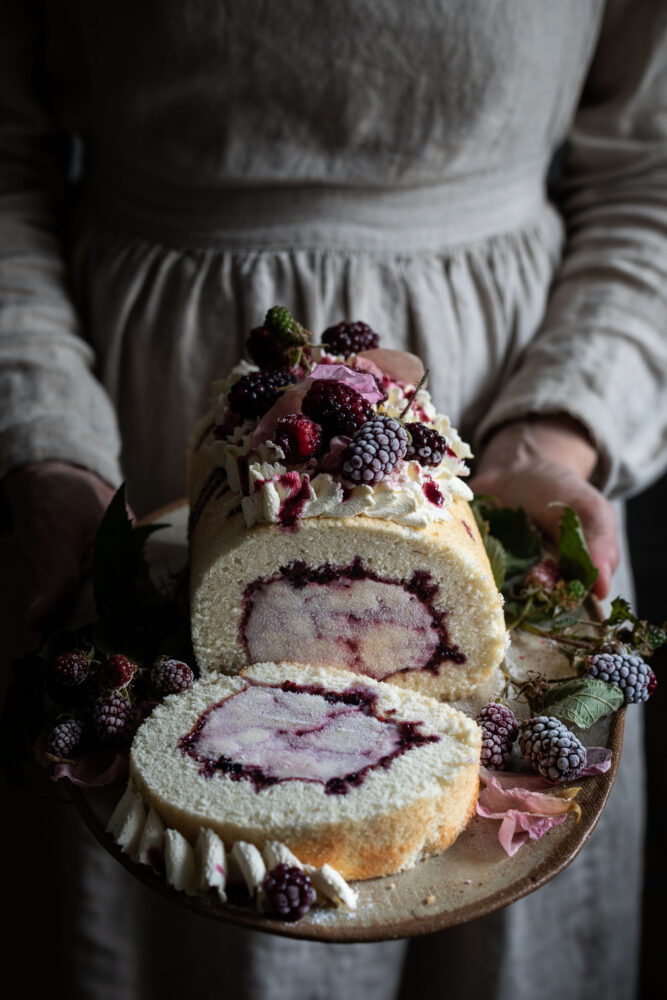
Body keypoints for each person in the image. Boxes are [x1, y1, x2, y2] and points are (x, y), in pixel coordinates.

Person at [2, 2, 666, 998]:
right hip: (130, 434)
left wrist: (558, 429)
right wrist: (45, 445)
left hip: (500, 431)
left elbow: (650, 173)